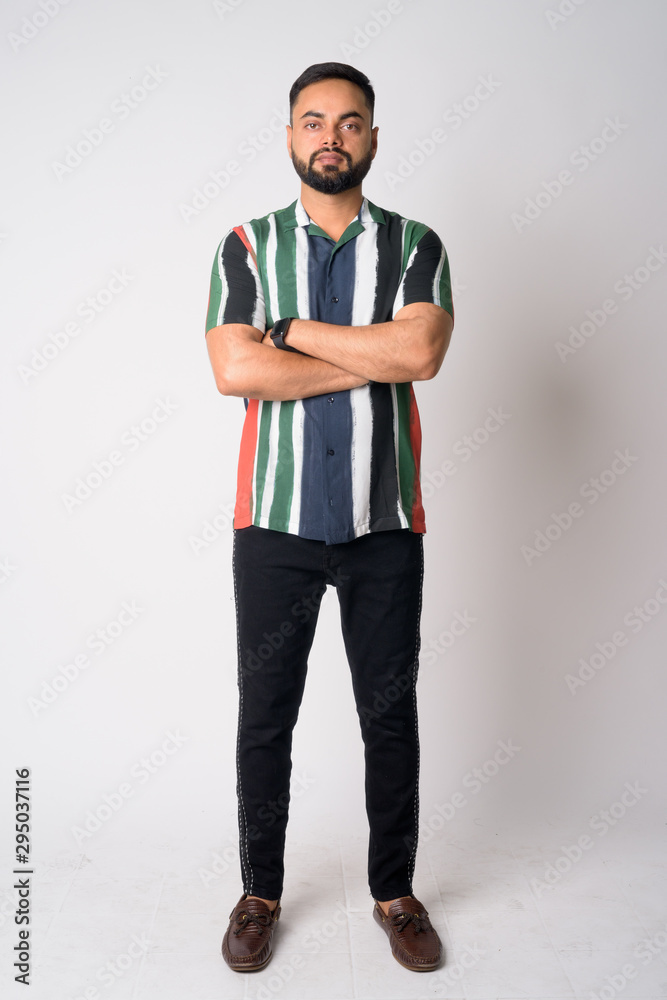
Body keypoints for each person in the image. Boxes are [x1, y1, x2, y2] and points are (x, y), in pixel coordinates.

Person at [204, 62, 454, 974]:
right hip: (272, 525)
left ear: (374, 139)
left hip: (385, 523)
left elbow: (420, 349)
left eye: (350, 123)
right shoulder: (242, 245)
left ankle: (394, 891)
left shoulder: (417, 245)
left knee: (388, 719)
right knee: (265, 716)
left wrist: (294, 331)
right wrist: (371, 355)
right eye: (313, 121)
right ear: (288, 137)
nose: (331, 137)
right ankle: (258, 891)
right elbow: (235, 372)